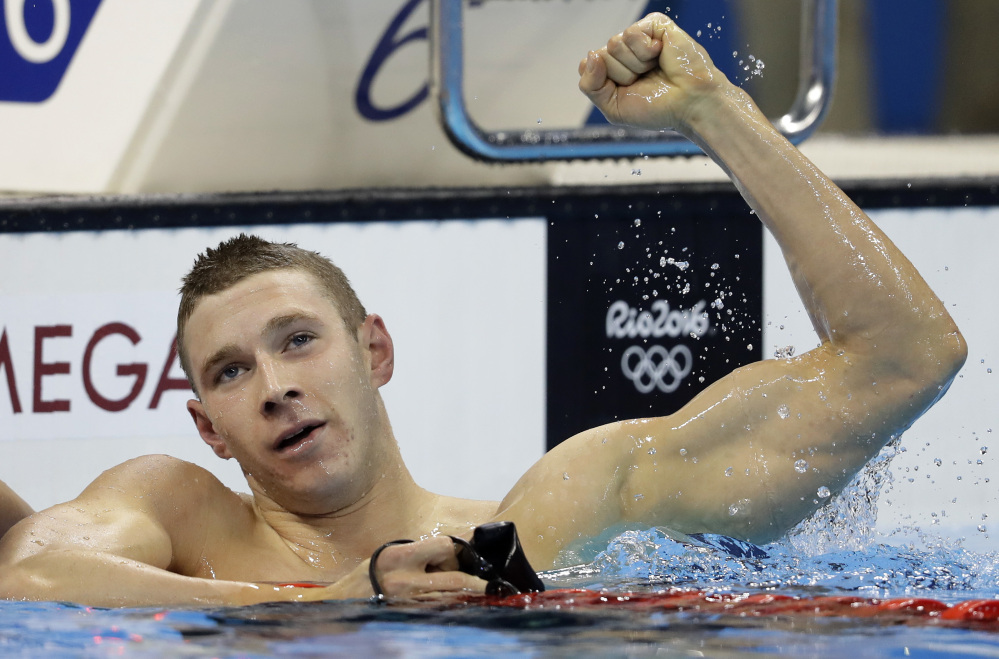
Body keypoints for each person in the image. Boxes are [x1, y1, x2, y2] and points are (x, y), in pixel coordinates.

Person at [0, 14, 965, 607]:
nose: (277, 385)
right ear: (207, 427)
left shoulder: (547, 521)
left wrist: (713, 112)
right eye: (232, 371)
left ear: (373, 349)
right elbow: (27, 577)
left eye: (298, 340)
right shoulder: (180, 514)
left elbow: (905, 357)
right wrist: (328, 600)